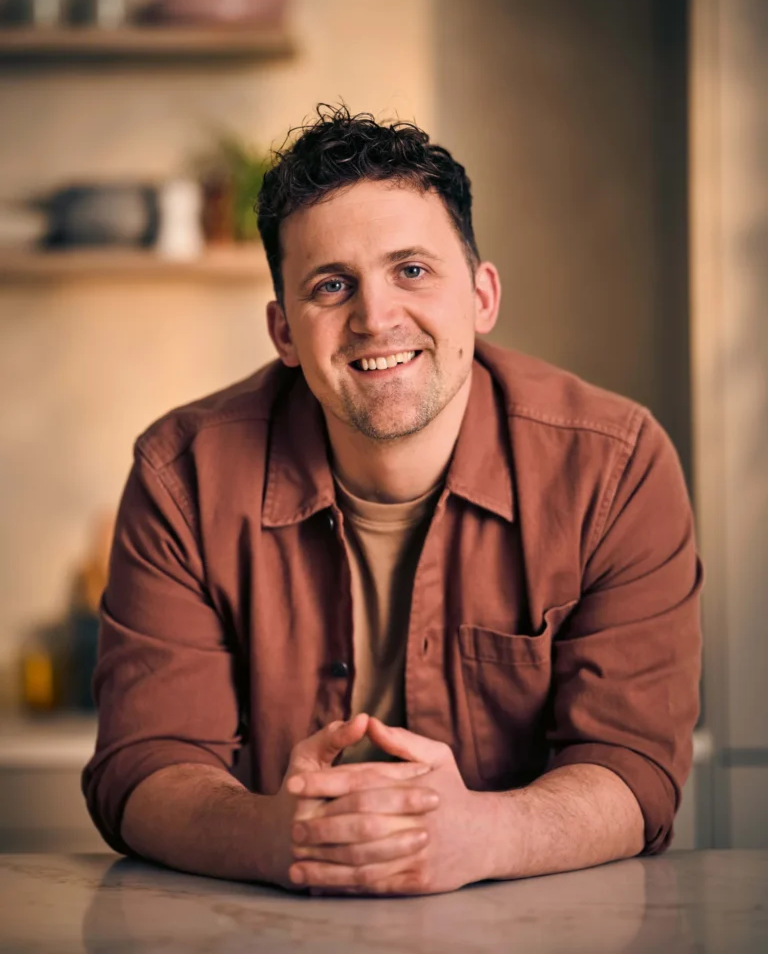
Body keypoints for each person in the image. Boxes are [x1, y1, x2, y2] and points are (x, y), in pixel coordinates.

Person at [82, 106, 702, 896]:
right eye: (332, 285)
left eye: (412, 270)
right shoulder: (182, 475)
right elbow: (143, 763)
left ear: (481, 297)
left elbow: (635, 768)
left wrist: (486, 835)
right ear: (283, 332)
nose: (375, 319)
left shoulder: (618, 466)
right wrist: (280, 836)